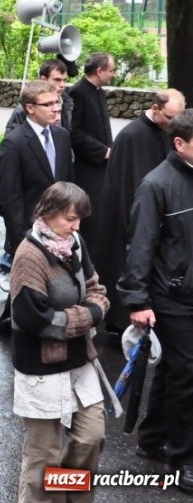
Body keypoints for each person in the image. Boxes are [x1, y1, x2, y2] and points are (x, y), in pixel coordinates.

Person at [10, 182, 109, 503]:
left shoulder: (75, 242)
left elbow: (97, 290)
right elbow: (34, 319)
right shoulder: (29, 256)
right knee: (43, 457)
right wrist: (88, 316)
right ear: (48, 214)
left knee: (90, 438)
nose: (77, 226)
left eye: (79, 218)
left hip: (79, 360)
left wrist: (85, 312)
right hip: (40, 367)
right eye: (70, 218)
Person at [119, 109, 193, 494]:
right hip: (171, 296)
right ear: (179, 144)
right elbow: (140, 246)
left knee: (173, 371)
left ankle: (152, 438)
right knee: (188, 374)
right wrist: (137, 299)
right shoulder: (156, 185)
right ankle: (183, 460)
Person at [93, 89, 185, 334]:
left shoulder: (169, 132)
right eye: (170, 117)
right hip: (135, 218)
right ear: (155, 109)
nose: (173, 124)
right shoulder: (130, 136)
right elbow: (122, 188)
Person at [0, 81, 74, 336]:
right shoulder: (14, 143)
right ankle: (16, 323)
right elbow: (9, 197)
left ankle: (32, 322)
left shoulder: (61, 136)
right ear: (30, 108)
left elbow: (66, 183)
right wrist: (21, 238)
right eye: (48, 104)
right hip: (30, 230)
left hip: (59, 228)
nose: (55, 109)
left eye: (57, 102)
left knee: (54, 283)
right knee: (31, 283)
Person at [69, 52, 115, 245]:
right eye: (111, 70)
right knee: (90, 219)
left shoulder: (99, 92)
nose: (113, 74)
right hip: (87, 169)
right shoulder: (78, 92)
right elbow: (74, 133)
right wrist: (103, 151)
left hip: (103, 166)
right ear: (99, 70)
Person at [5, 59, 74, 134]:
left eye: (64, 80)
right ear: (43, 79)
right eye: (57, 80)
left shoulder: (67, 103)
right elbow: (12, 141)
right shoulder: (23, 109)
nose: (62, 85)